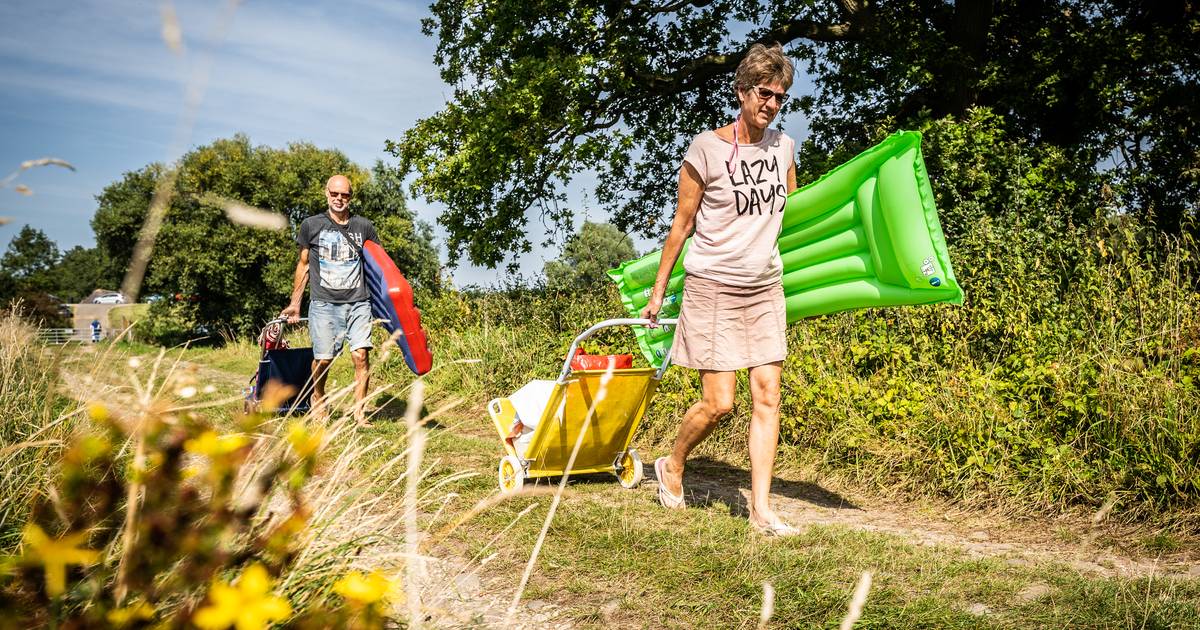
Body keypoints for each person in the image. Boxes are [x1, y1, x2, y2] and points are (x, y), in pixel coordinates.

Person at [642, 43, 799, 536]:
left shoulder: (784, 148)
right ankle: (673, 462)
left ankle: (760, 509)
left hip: (764, 286)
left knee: (768, 393)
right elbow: (681, 226)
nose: (771, 103)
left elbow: (793, 215)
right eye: (764, 92)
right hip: (713, 286)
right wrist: (658, 290)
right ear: (741, 91)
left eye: (780, 96)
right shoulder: (705, 149)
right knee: (720, 404)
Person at [281, 175, 379, 426]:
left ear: (351, 197)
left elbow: (377, 266)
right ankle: (318, 395)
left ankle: (360, 413)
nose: (339, 198)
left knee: (361, 356)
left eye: (344, 194)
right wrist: (295, 304)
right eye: (334, 193)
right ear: (326, 194)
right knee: (324, 358)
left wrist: (384, 303)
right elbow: (303, 267)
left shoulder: (364, 227)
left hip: (359, 301)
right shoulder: (311, 225)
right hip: (324, 303)